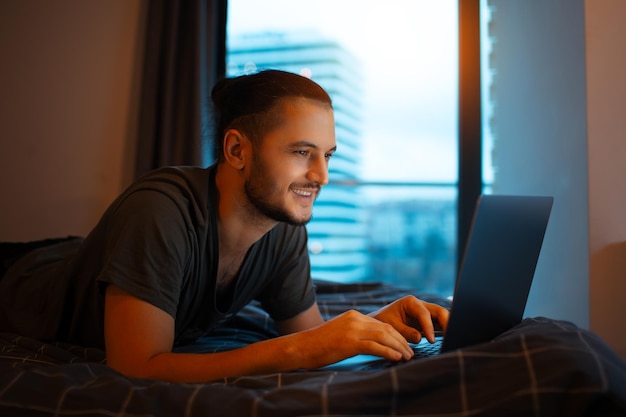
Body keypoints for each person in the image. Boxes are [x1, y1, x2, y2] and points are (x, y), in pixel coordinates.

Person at [0, 70, 449, 383]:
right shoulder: (160, 209)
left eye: (326, 155)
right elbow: (136, 368)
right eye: (300, 152)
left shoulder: (284, 229)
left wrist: (376, 323)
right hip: (20, 277)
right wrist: (297, 352)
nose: (321, 176)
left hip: (88, 255)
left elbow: (310, 337)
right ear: (237, 150)